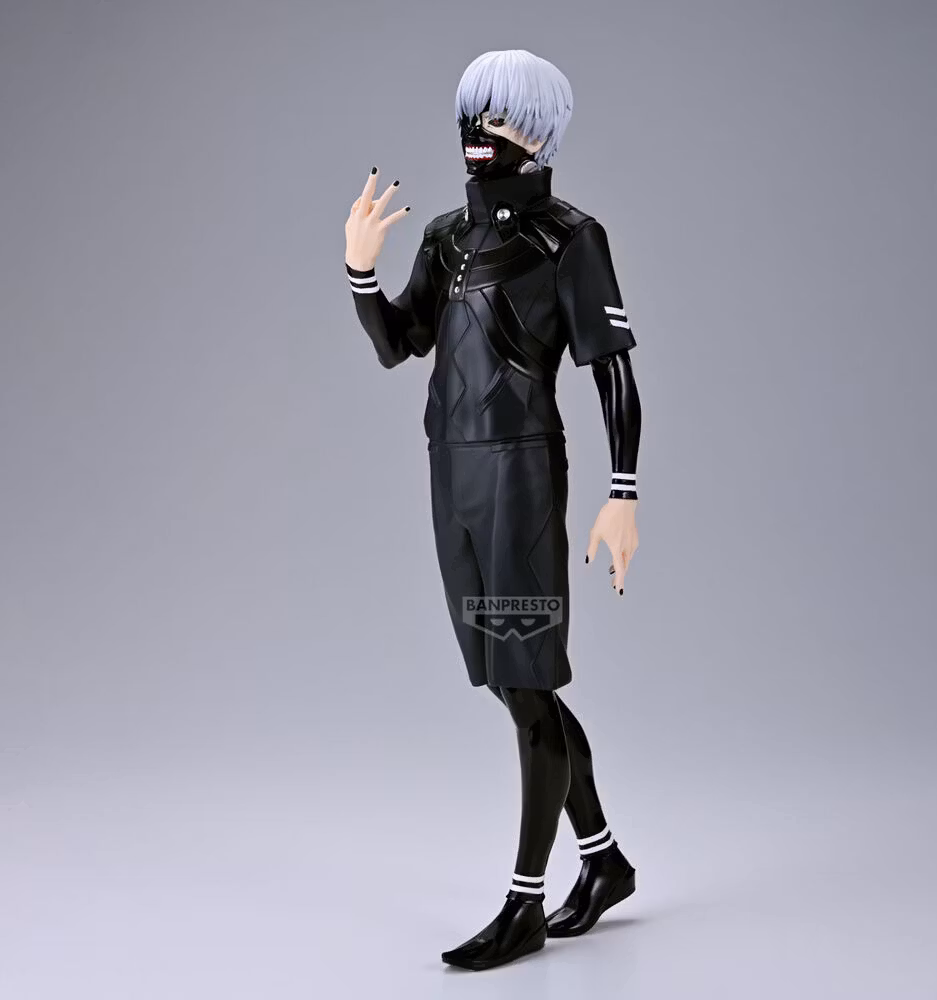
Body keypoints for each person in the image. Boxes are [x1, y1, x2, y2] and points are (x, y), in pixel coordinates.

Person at [344, 49, 642, 971]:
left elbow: (614, 369)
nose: (481, 134)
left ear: (539, 135)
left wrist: (623, 492)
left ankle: (524, 902)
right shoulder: (445, 239)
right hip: (452, 473)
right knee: (517, 683)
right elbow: (401, 343)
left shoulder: (570, 237)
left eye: (501, 118)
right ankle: (605, 864)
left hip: (521, 476)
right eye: (473, 115)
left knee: (527, 680)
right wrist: (361, 274)